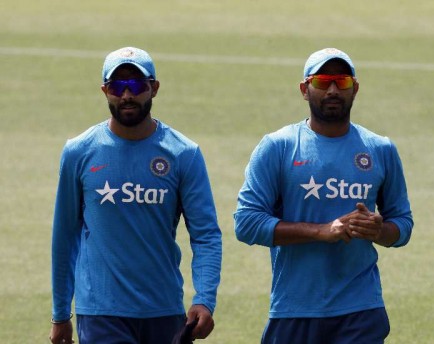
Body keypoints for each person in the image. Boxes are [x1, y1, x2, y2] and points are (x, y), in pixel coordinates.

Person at [234, 47, 413, 344]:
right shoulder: (277, 147)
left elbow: (403, 224)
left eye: (341, 82)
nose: (332, 90)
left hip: (361, 310)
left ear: (354, 89)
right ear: (305, 89)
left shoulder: (380, 149)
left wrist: (378, 230)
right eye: (322, 82)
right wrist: (320, 232)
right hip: (294, 309)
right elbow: (246, 223)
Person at [49, 47, 222, 344]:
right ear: (105, 90)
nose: (126, 95)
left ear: (153, 88)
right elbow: (65, 237)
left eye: (136, 85)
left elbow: (206, 234)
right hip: (102, 312)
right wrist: (61, 313)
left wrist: (204, 298)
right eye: (117, 86)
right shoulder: (79, 151)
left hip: (164, 310)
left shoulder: (183, 154)